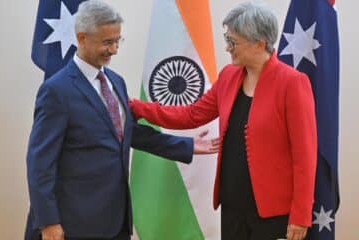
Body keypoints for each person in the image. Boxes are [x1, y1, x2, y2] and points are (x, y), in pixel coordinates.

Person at [24, 1, 219, 240]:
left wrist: (186, 146)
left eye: (118, 41)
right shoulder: (56, 91)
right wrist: (48, 222)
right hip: (74, 222)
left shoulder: (116, 81)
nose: (114, 49)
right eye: (107, 42)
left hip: (116, 219)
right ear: (82, 37)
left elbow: (127, 133)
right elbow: (39, 162)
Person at [129, 2, 317, 240]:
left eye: (233, 42)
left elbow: (305, 156)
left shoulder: (292, 83)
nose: (228, 48)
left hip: (273, 212)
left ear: (259, 43)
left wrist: (301, 215)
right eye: (227, 39)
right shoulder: (228, 76)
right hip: (232, 205)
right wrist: (138, 107)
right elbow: (192, 114)